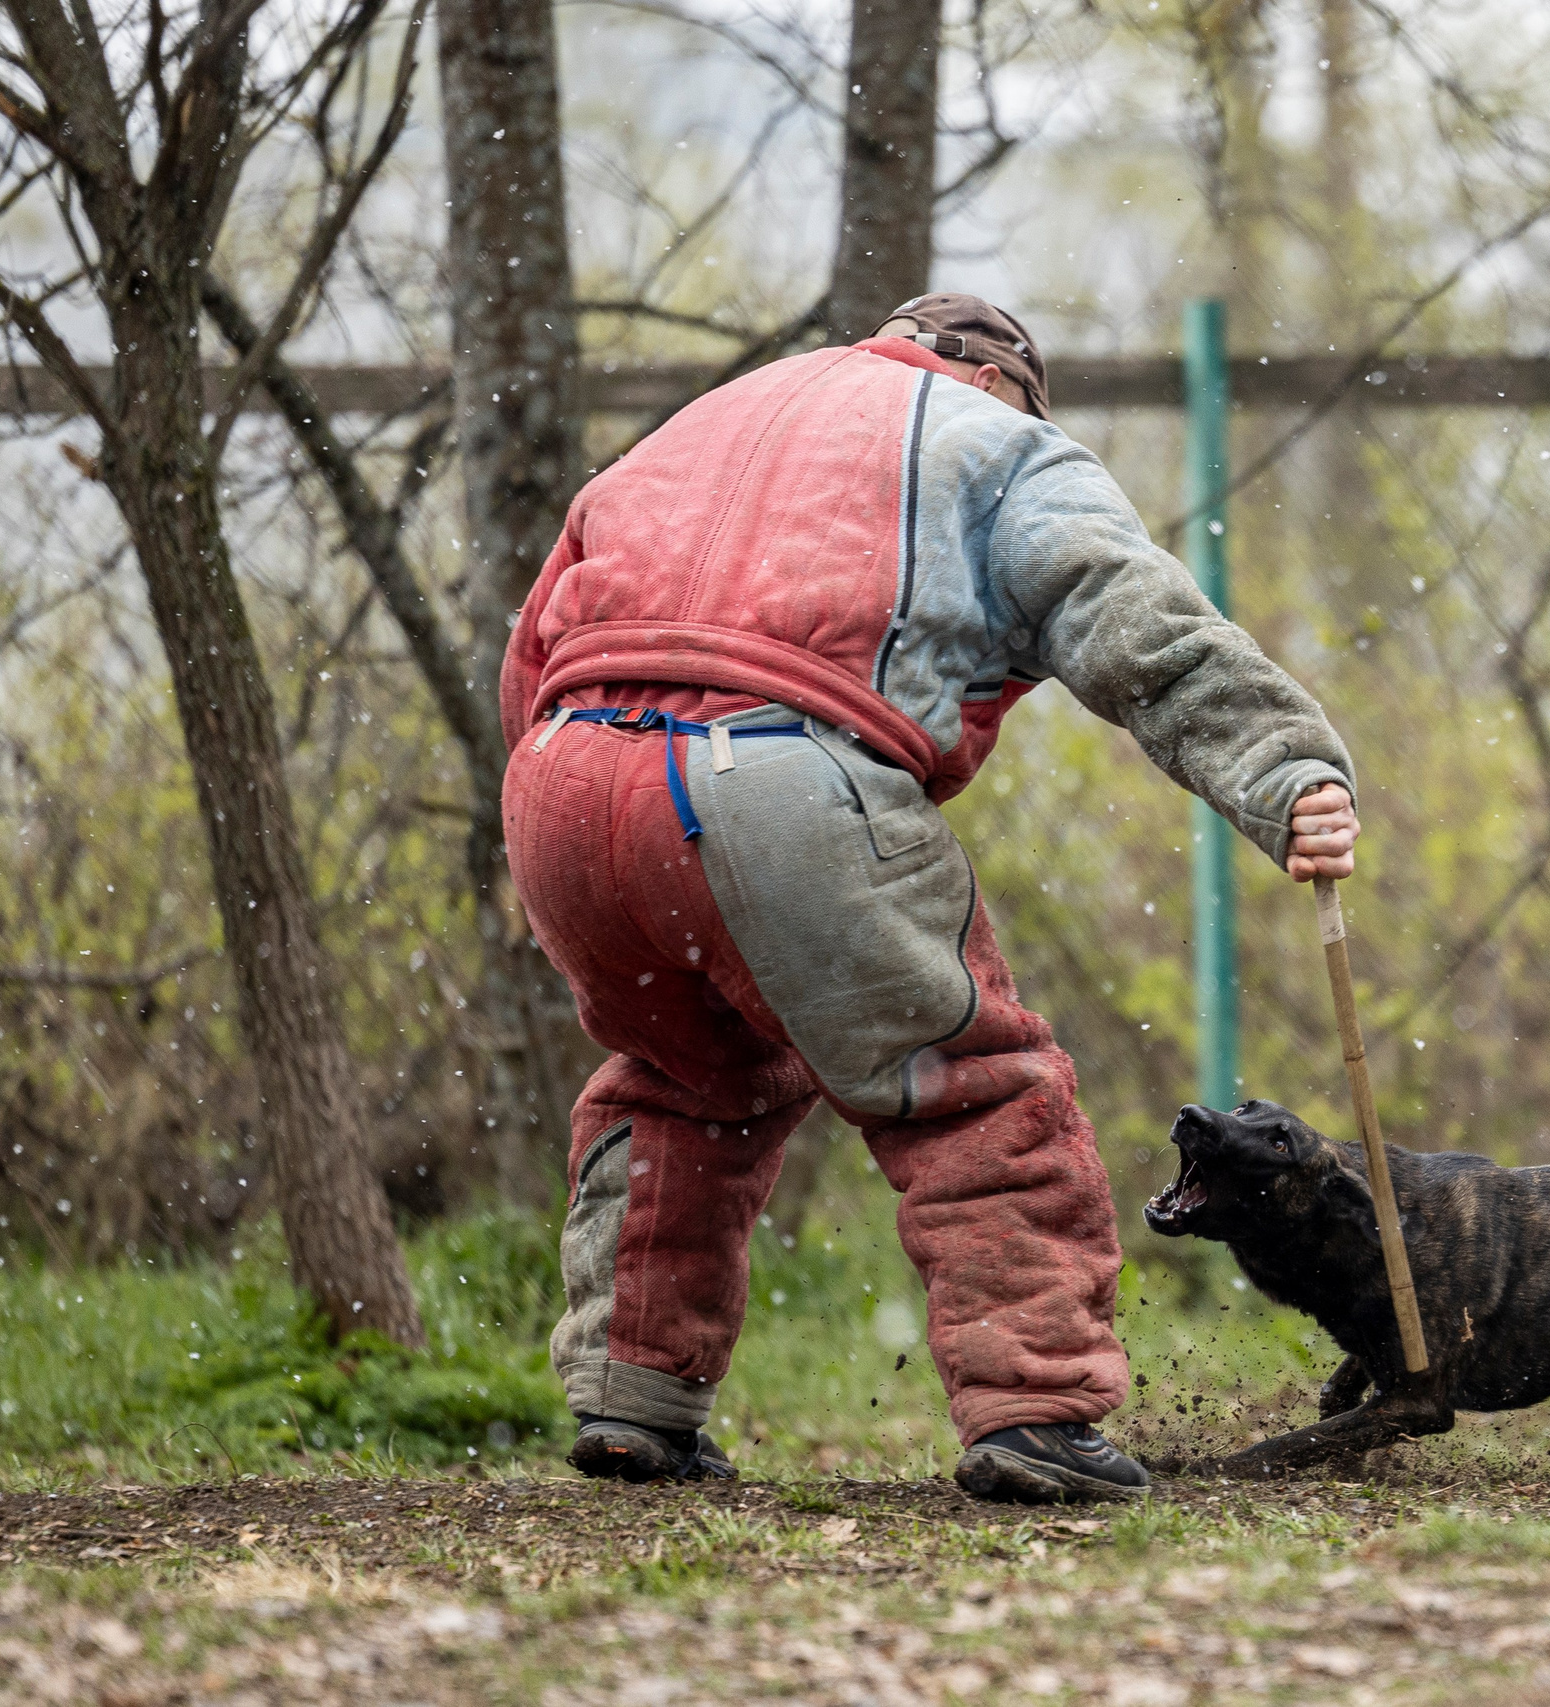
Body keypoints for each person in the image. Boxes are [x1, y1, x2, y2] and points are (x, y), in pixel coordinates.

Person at [497, 293, 1359, 1503]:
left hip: (561, 780)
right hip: (777, 769)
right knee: (973, 1087)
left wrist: (580, 830)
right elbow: (1135, 622)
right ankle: (1032, 1411)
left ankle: (632, 1398)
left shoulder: (704, 417)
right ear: (1003, 383)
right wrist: (1285, 771)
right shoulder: (995, 442)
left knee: (684, 1079)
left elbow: (533, 647)